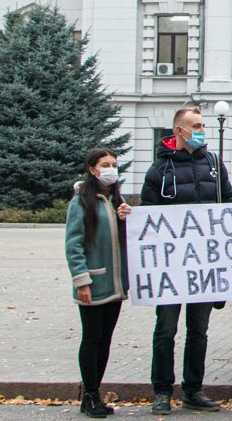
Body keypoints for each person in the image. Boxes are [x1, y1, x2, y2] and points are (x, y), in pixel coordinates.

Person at [140, 106, 232, 415]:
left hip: (203, 268)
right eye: (196, 125)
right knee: (165, 330)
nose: (202, 129)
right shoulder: (159, 171)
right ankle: (162, 390)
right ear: (179, 131)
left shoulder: (214, 164)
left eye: (203, 124)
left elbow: (227, 202)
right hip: (172, 269)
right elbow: (147, 219)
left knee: (198, 331)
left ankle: (193, 389)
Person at [65, 148, 132, 418]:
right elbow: (73, 244)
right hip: (93, 282)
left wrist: (127, 219)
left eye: (114, 164)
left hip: (115, 285)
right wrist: (82, 280)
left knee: (104, 340)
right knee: (91, 338)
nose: (111, 169)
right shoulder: (81, 201)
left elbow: (124, 240)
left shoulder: (116, 199)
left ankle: (94, 393)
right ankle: (89, 394)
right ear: (93, 169)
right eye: (106, 165)